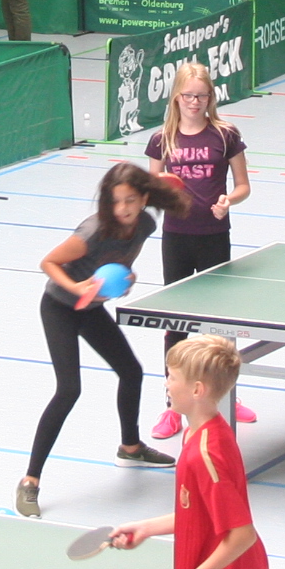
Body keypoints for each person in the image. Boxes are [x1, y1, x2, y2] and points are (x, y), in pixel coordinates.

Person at [104, 337, 285, 569]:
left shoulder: (207, 453)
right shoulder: (198, 433)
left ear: (197, 390)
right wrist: (147, 528)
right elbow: (200, 513)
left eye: (172, 377)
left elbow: (241, 534)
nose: (166, 384)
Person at [17, 162, 187, 518]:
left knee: (131, 372)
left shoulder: (145, 224)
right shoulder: (93, 231)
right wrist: (77, 287)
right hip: (60, 307)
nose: (122, 208)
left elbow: (122, 260)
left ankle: (130, 448)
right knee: (69, 390)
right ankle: (30, 480)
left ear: (143, 199)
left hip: (91, 308)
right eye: (115, 201)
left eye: (130, 200)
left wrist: (127, 277)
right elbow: (48, 262)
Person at [144, 64, 257, 439]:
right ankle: (172, 408)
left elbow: (243, 186)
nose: (195, 102)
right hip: (177, 238)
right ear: (177, 97)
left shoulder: (225, 135)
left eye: (202, 96)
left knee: (218, 327)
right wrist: (161, 194)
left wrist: (229, 200)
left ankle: (226, 397)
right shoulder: (162, 139)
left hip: (214, 236)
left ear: (211, 98)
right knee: (175, 326)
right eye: (189, 95)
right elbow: (154, 188)